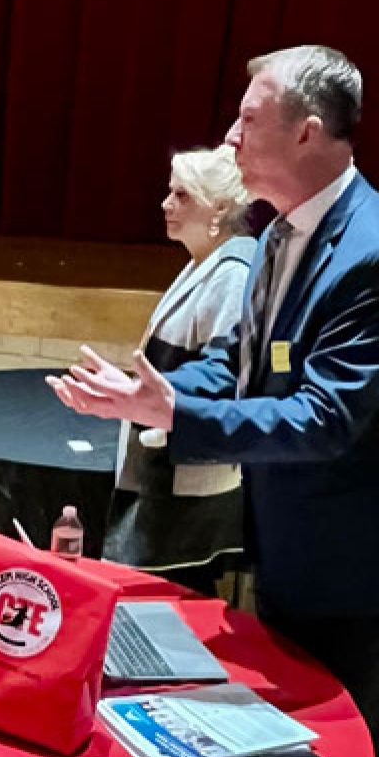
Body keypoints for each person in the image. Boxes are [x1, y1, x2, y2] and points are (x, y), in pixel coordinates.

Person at [50, 46, 379, 757]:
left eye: (248, 119)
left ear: (307, 133)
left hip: (361, 568)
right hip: (290, 550)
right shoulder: (276, 236)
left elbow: (322, 419)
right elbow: (239, 367)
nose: (230, 136)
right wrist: (152, 396)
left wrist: (179, 414)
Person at [104, 145, 253, 594]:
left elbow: (224, 374)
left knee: (170, 600)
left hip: (186, 480)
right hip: (165, 467)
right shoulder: (203, 262)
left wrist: (141, 394)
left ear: (219, 208)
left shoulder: (234, 273)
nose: (166, 204)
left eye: (182, 195)